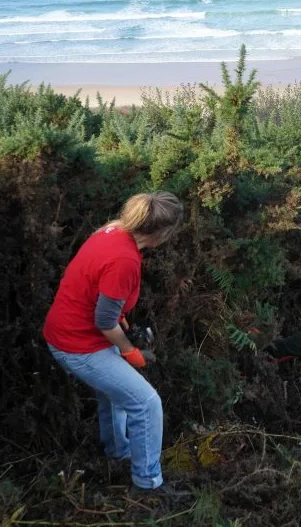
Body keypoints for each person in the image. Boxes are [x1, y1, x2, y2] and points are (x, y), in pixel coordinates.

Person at [43, 191, 183, 493]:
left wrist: (123, 326)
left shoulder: (111, 231)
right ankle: (148, 486)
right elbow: (104, 320)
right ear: (161, 233)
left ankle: (116, 455)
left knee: (115, 396)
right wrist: (129, 350)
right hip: (78, 344)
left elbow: (100, 295)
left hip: (66, 330)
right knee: (147, 404)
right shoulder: (125, 260)